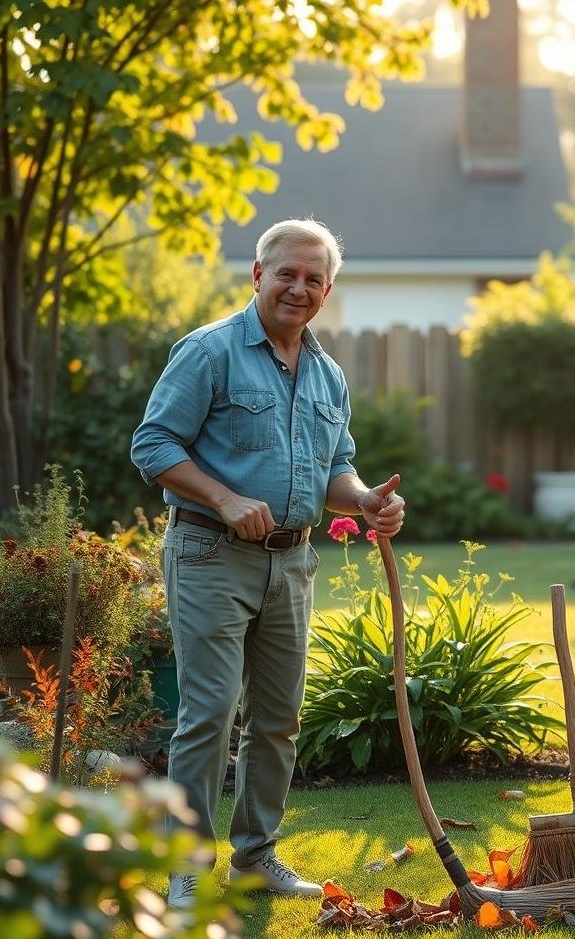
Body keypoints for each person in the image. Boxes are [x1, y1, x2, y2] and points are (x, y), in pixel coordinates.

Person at [131, 218, 405, 911]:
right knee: (209, 712)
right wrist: (223, 498)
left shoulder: (325, 372)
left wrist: (367, 499)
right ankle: (185, 867)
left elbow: (334, 466)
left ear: (327, 290)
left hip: (292, 561)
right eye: (287, 272)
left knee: (278, 717)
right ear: (257, 274)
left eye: (314, 278)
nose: (299, 287)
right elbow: (153, 444)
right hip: (210, 553)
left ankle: (254, 858)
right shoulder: (209, 352)